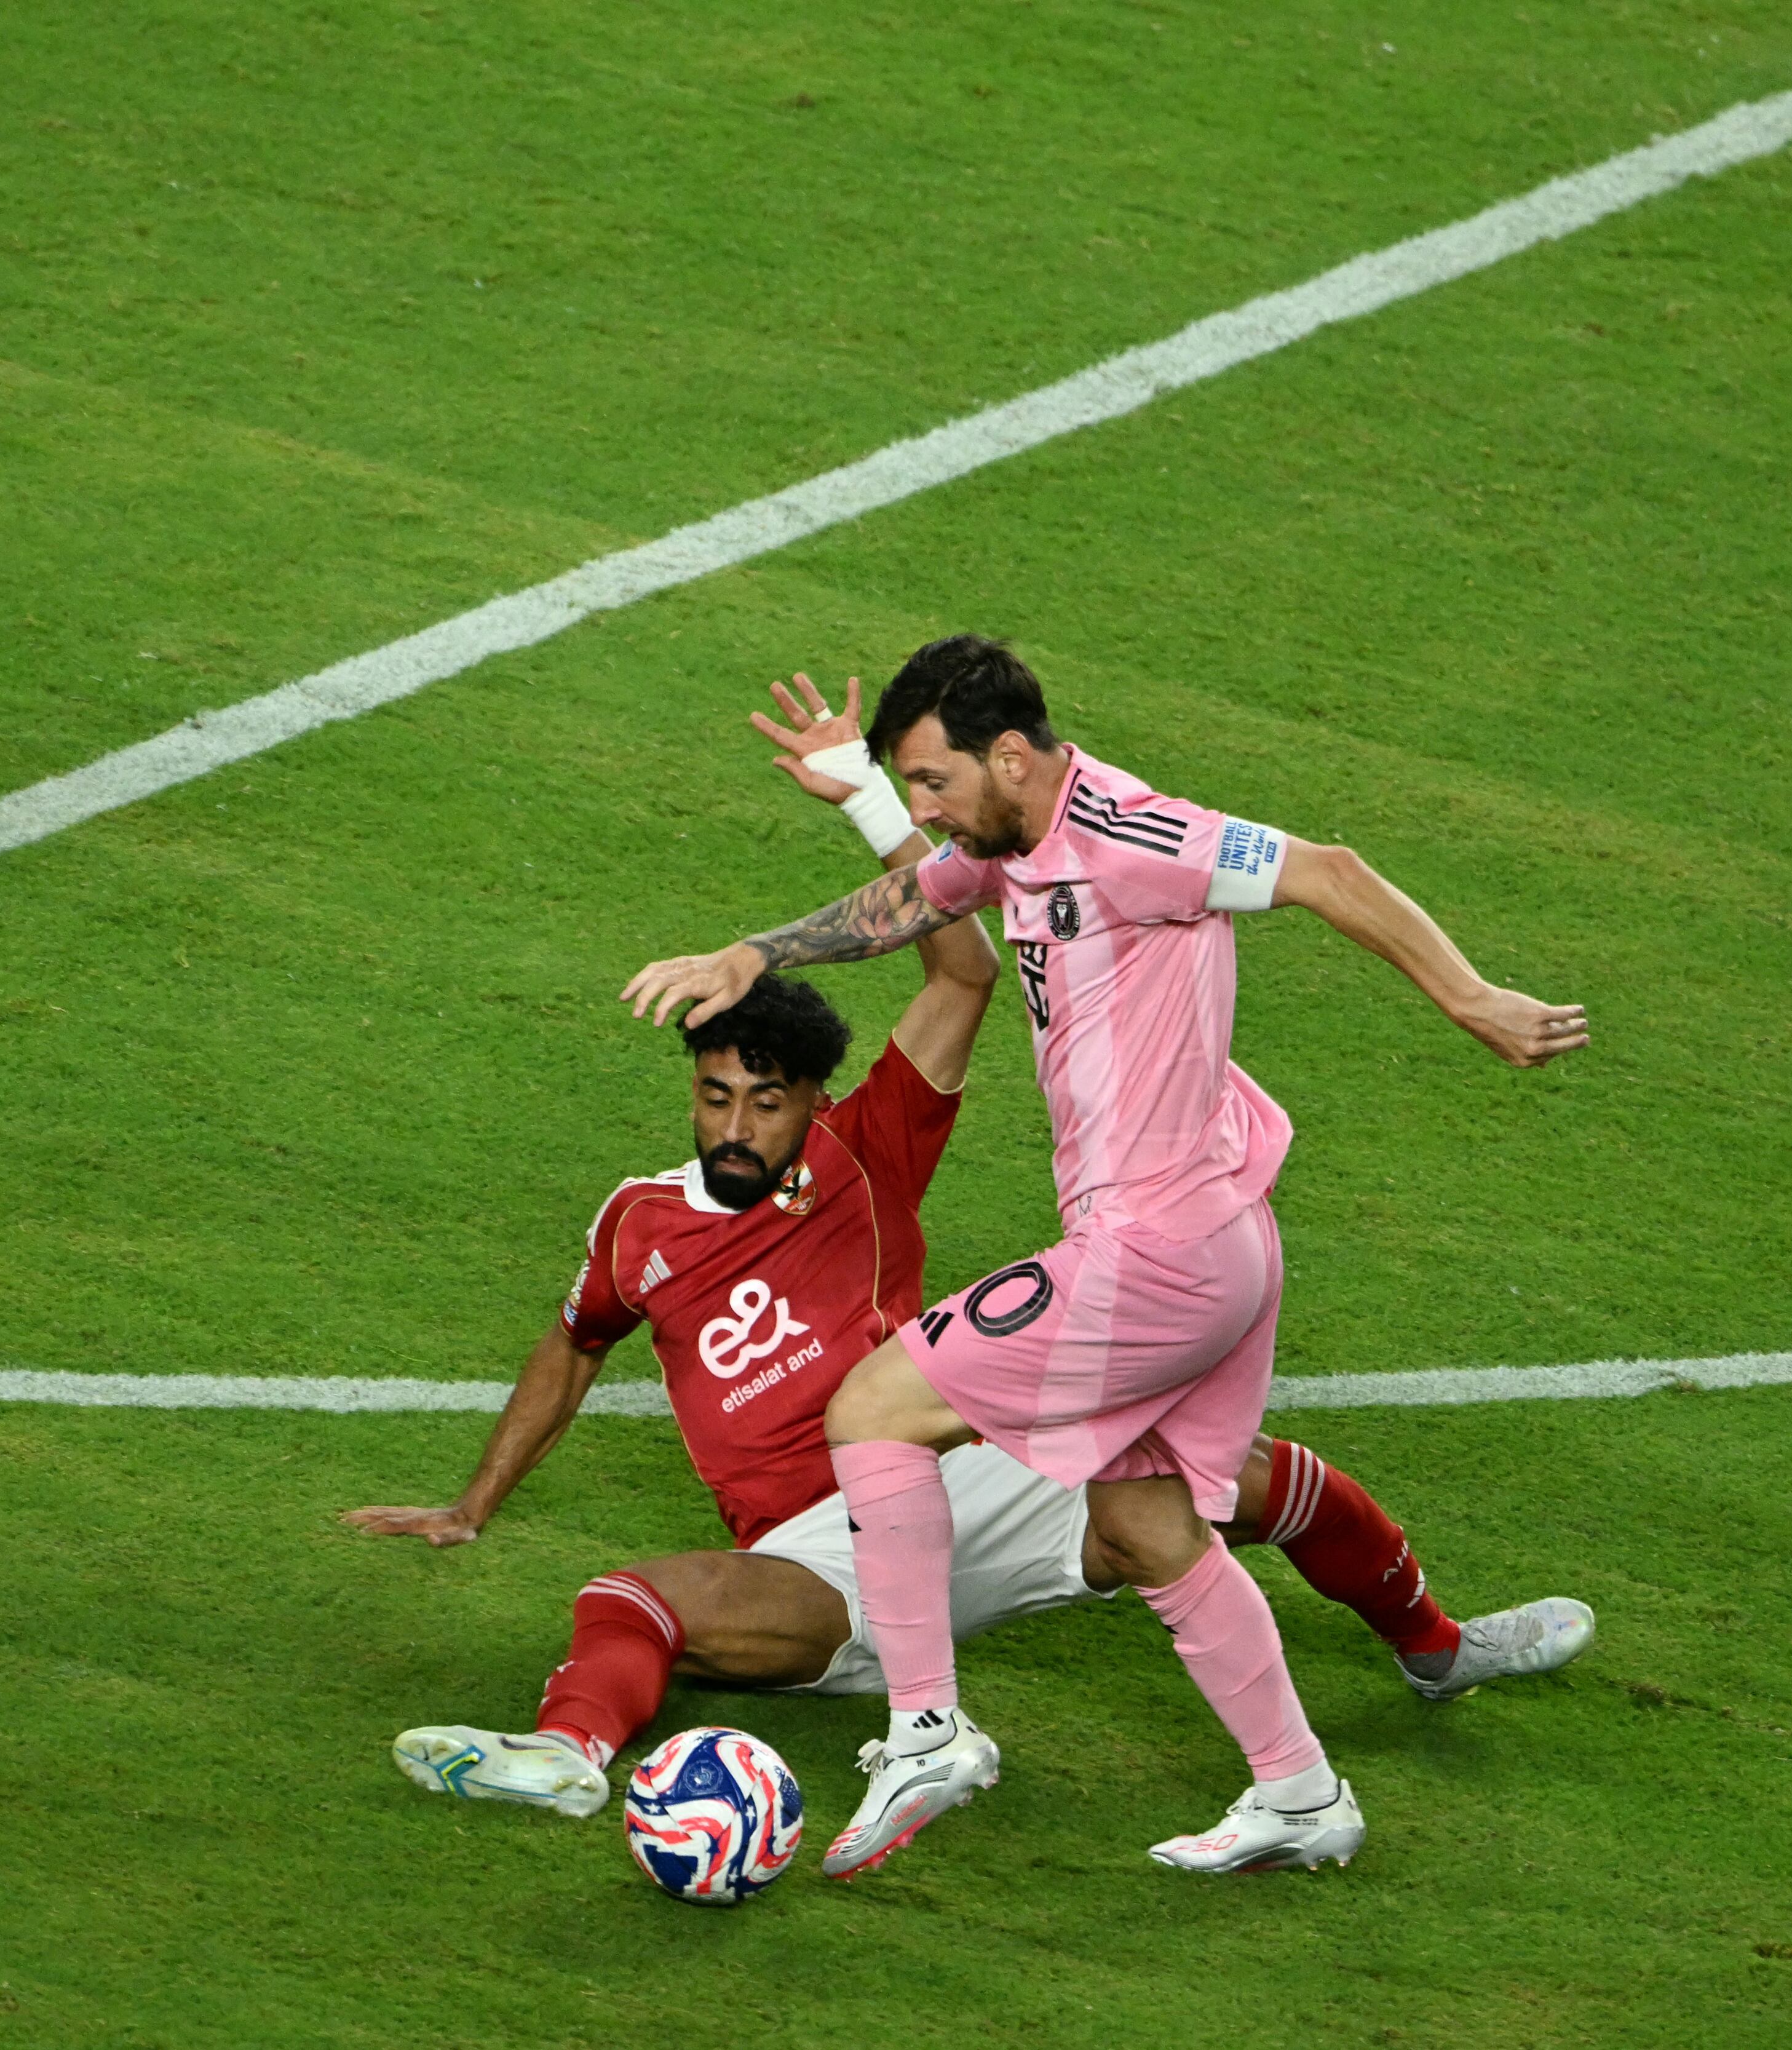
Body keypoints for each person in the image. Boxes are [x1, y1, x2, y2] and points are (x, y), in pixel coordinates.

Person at [347, 676, 1592, 1827]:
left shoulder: (869, 1140)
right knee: (631, 1596)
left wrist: (869, 808)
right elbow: (569, 1351)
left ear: (812, 1098)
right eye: (716, 1095)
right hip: (826, 1553)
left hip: (973, 1463)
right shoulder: (637, 1222)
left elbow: (960, 951)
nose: (738, 1122)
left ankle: (1431, 1647)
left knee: (1239, 1483)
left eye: (767, 1099)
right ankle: (568, 1754)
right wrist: (472, 1504)